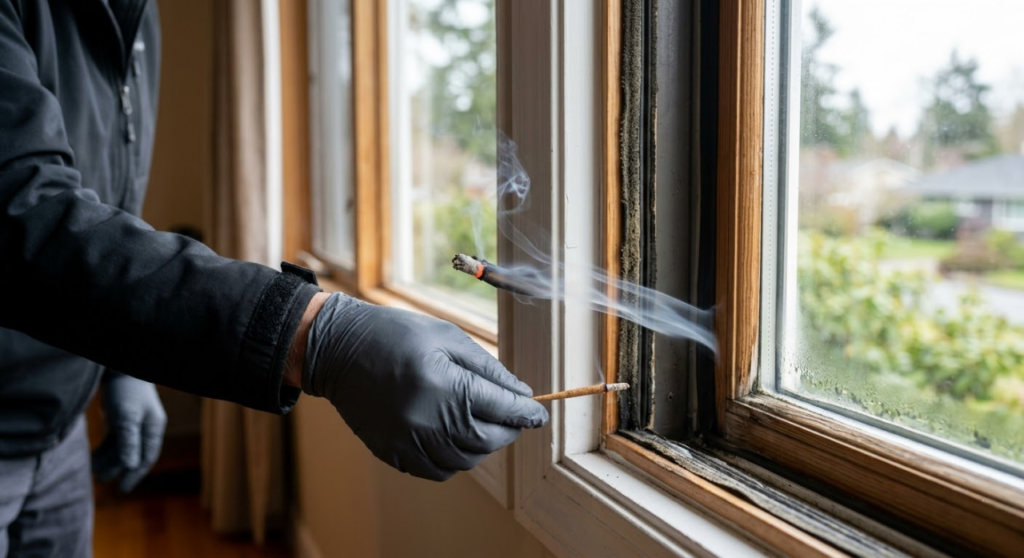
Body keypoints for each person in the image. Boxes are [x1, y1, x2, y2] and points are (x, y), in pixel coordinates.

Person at [0, 1, 548, 556]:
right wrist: (314, 336)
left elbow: (100, 200)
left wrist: (118, 367)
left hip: (60, 414)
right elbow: (21, 213)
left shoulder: (136, 16)